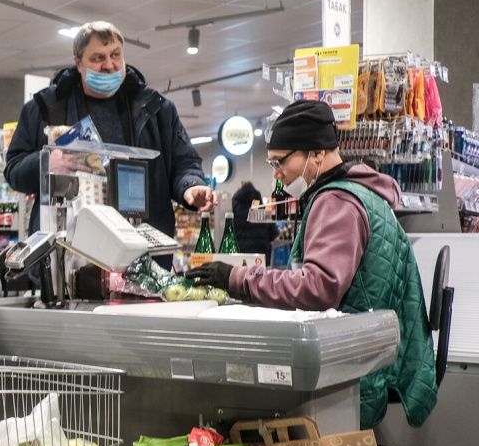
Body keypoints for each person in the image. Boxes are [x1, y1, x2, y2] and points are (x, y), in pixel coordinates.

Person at [187, 100, 437, 428]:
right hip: (369, 362)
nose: (276, 174)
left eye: (280, 162)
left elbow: (318, 288)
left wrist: (238, 278)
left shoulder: (337, 202)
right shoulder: (364, 194)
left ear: (317, 153)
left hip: (349, 379)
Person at [5, 21, 216, 238]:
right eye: (98, 58)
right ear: (78, 62)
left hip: (139, 241)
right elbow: (13, 170)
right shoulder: (44, 107)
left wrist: (191, 186)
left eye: (115, 55)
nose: (109, 65)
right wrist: (45, 163)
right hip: (68, 244)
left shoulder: (157, 109)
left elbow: (184, 162)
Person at [232, 180, 279, 263]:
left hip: (241, 253)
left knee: (242, 270)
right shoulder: (262, 207)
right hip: (261, 255)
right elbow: (273, 233)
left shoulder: (234, 207)